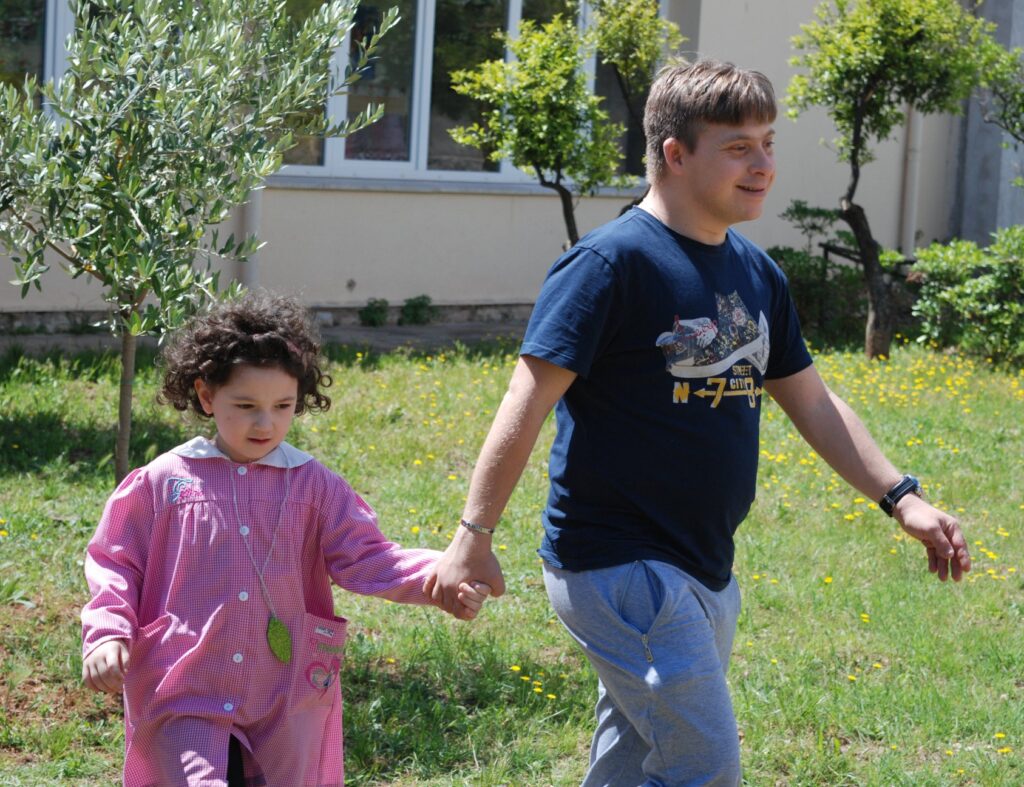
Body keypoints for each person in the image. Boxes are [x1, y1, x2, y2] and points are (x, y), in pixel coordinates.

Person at [424, 59, 972, 786]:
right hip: (621, 562)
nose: (764, 165)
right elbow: (525, 405)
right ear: (675, 154)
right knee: (704, 766)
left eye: (768, 143)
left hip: (705, 566)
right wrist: (472, 537)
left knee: (634, 761)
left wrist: (901, 495)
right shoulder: (609, 265)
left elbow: (812, 400)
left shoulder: (754, 272)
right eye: (739, 146)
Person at [81, 292, 490, 787]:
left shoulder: (314, 486)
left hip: (286, 686)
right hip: (185, 681)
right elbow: (116, 562)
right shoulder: (165, 483)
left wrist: (439, 577)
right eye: (246, 405)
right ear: (207, 397)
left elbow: (368, 557)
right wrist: (107, 631)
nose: (266, 422)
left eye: (283, 406)